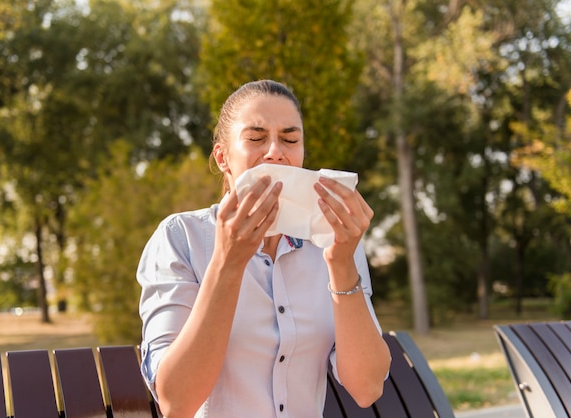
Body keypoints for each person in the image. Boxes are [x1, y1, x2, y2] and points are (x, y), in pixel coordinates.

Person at [137, 79, 391, 418]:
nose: (275, 151)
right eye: (256, 138)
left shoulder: (333, 243)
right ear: (223, 157)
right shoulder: (181, 238)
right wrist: (228, 263)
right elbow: (176, 402)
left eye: (290, 139)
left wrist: (343, 264)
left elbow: (367, 388)